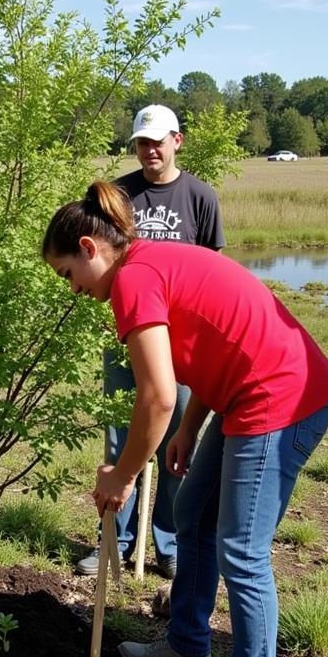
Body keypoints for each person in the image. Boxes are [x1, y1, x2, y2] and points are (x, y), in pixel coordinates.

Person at [43, 182, 328, 657]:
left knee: (242, 550)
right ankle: (188, 643)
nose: (73, 290)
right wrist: (189, 427)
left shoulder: (132, 279)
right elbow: (209, 347)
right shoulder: (147, 263)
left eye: (67, 274)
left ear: (89, 247)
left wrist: (123, 476)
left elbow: (154, 398)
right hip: (239, 395)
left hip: (282, 399)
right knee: (192, 513)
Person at [77, 103, 225, 579]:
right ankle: (115, 542)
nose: (150, 150)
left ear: (177, 140)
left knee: (175, 441)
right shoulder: (117, 195)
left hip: (178, 345)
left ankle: (169, 543)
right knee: (121, 440)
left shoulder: (201, 197)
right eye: (142, 142)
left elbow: (212, 273)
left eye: (158, 141)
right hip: (125, 336)